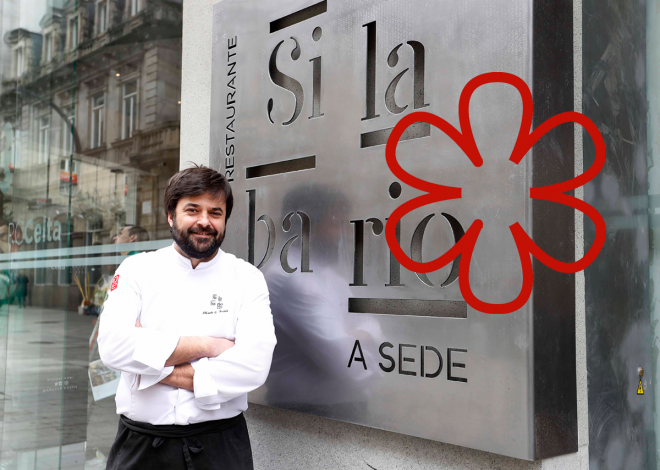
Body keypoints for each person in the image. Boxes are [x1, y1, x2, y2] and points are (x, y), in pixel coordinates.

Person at [98, 166, 276, 470]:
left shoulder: (247, 278)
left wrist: (149, 369)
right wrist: (209, 345)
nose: (204, 222)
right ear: (171, 215)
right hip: (141, 446)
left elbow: (254, 367)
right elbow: (113, 347)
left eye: (215, 212)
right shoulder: (136, 271)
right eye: (192, 210)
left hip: (220, 448)